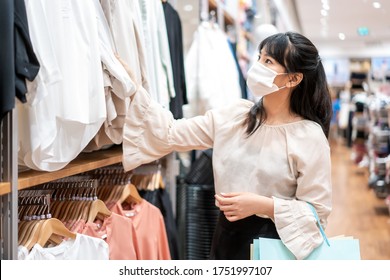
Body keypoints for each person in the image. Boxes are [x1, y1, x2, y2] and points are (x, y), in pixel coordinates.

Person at [121, 32, 333, 260]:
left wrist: (263, 205)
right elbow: (171, 133)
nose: (257, 67)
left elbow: (316, 212)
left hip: (278, 244)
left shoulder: (308, 136)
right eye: (259, 58)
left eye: (268, 62)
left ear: (293, 79)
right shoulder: (235, 117)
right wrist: (134, 90)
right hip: (226, 235)